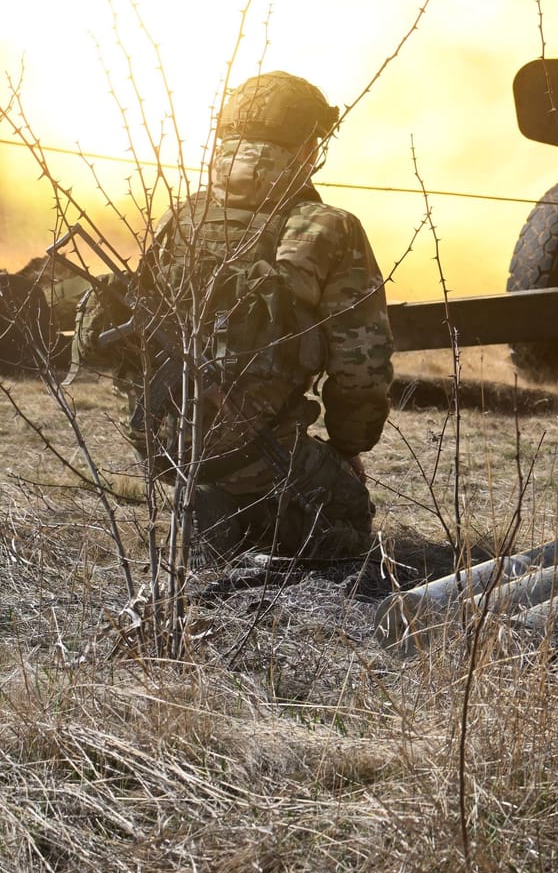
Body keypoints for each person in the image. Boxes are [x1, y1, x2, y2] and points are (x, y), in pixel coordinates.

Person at [79, 72, 392, 561]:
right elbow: (361, 367)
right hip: (259, 454)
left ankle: (213, 506)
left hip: (162, 445)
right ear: (310, 147)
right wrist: (349, 447)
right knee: (347, 522)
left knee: (229, 476)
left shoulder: (182, 216)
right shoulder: (329, 228)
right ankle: (241, 511)